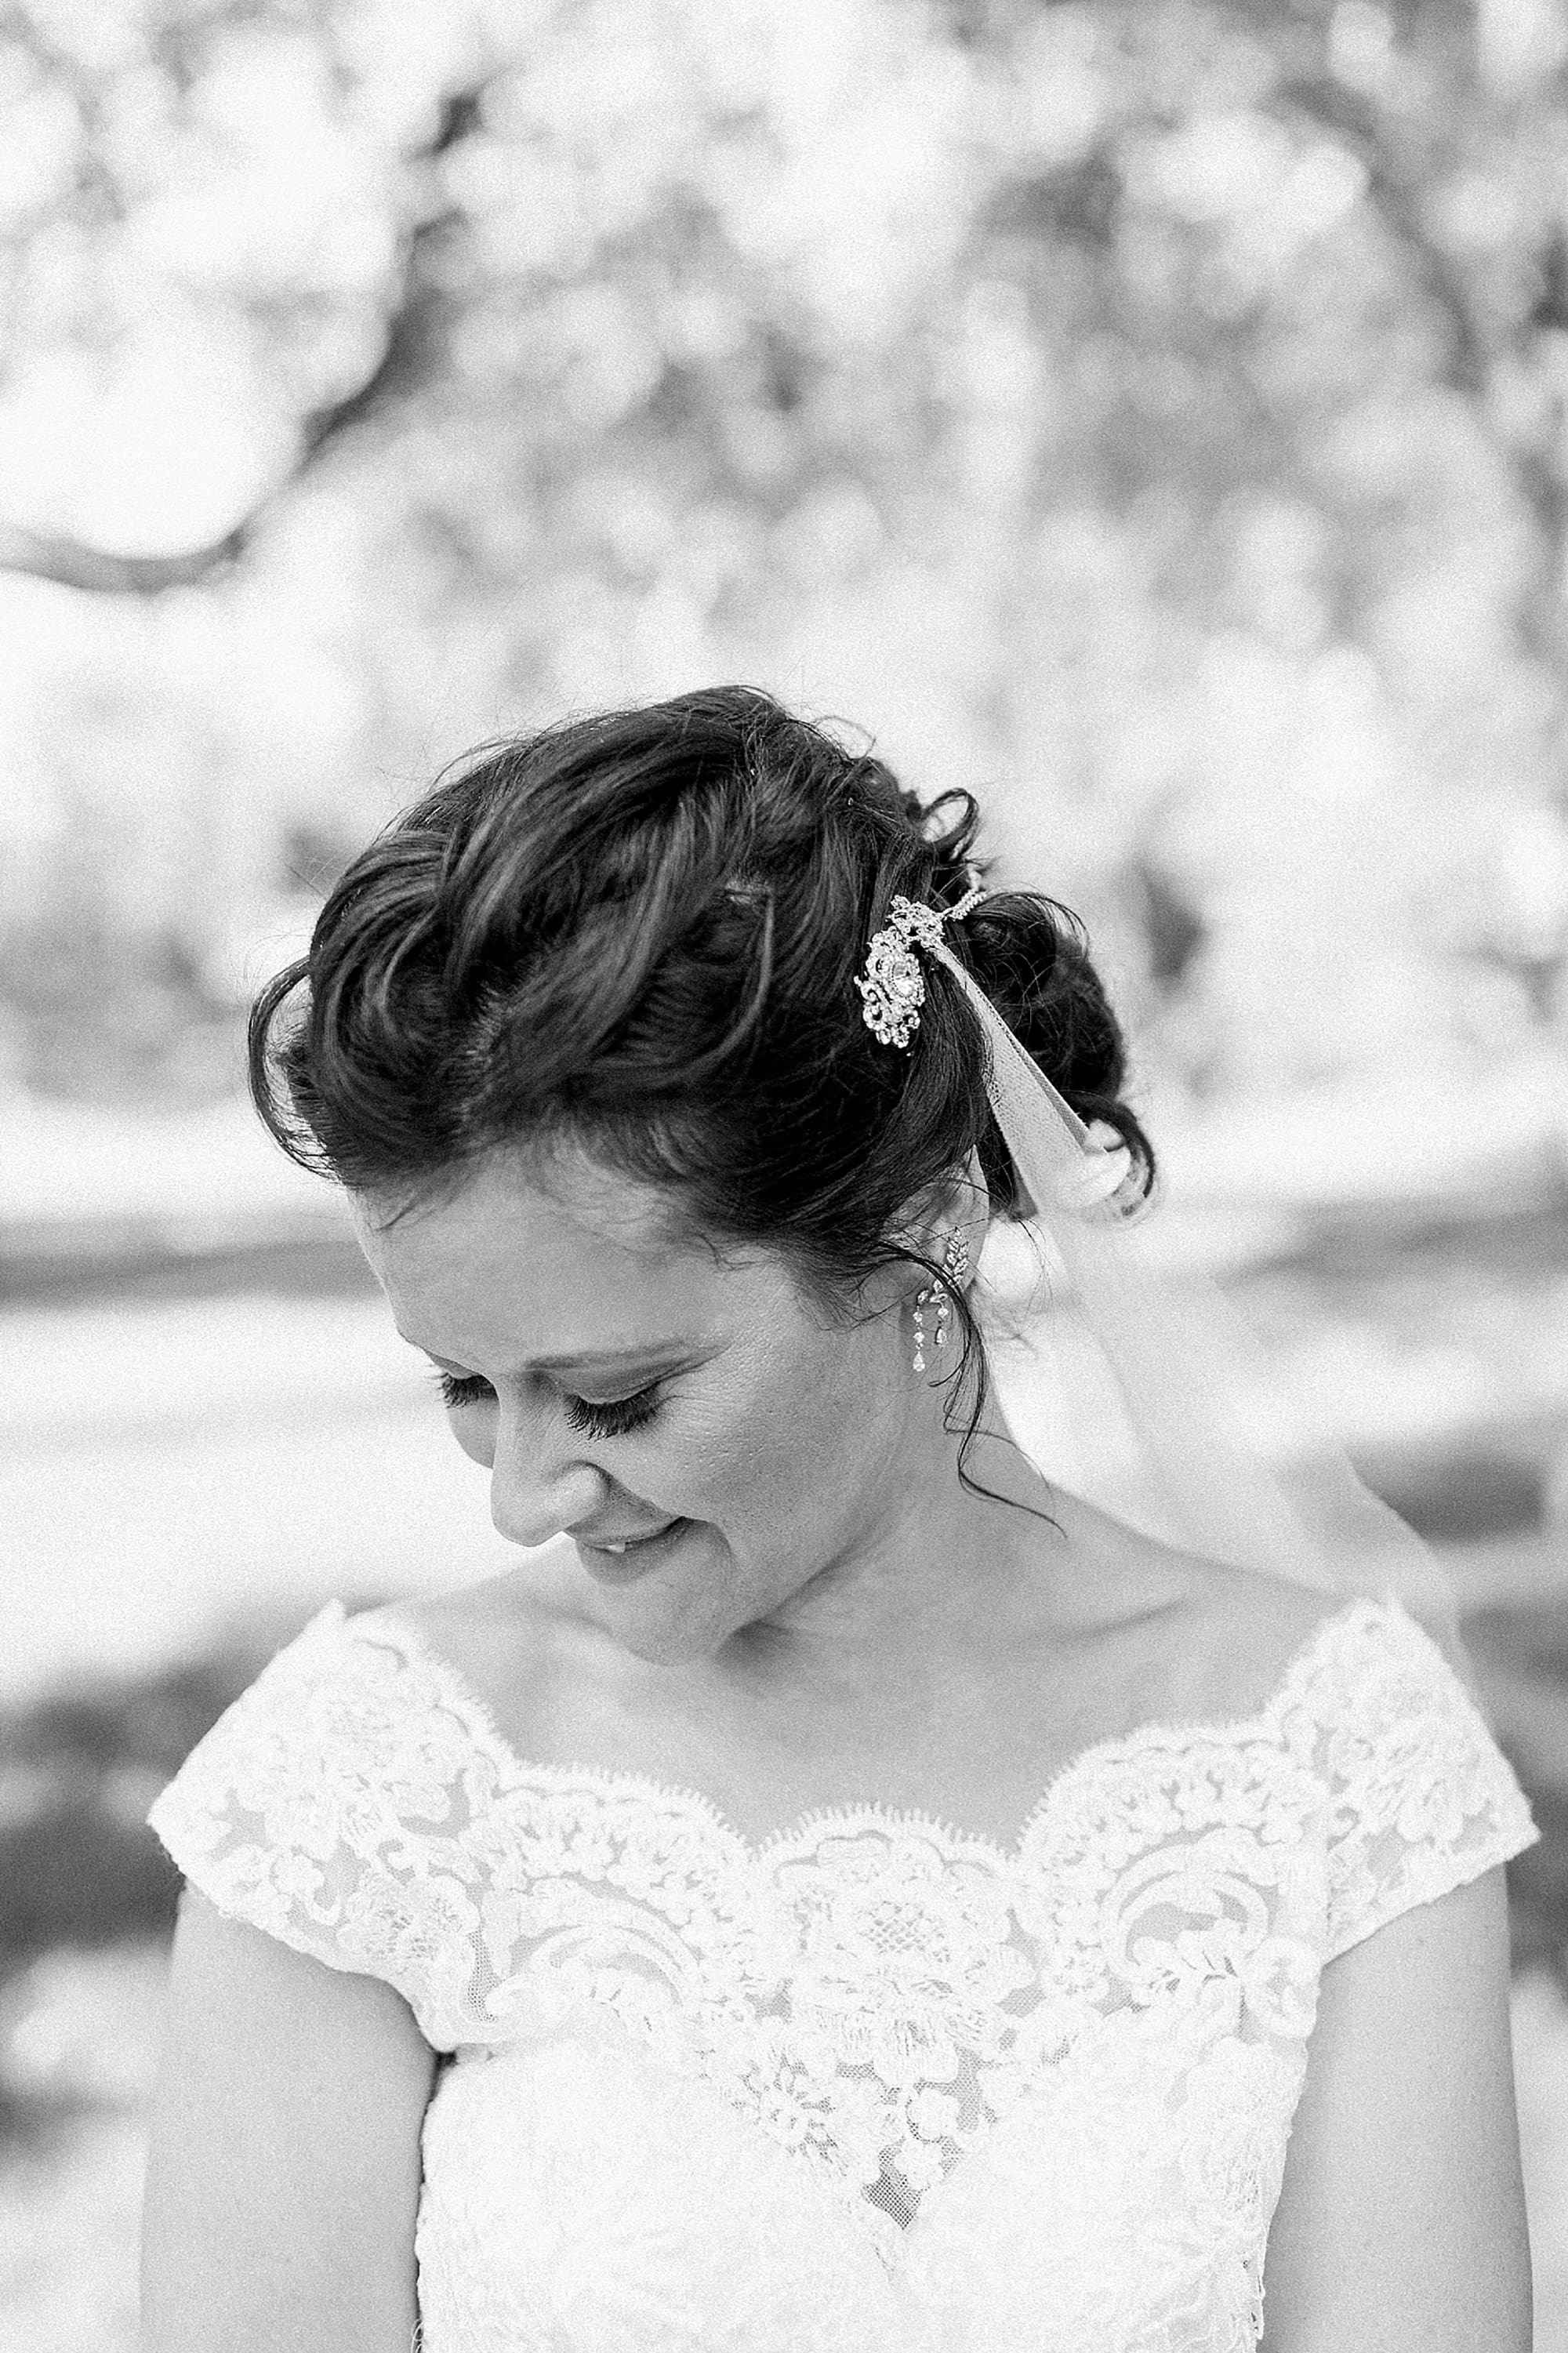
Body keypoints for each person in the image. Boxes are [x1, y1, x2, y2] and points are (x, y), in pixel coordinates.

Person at [140, 687, 1539, 2353]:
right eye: (462, 1383)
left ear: (921, 1223)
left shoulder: (1340, 1766)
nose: (524, 1496)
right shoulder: (359, 1800)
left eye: (620, 1394)